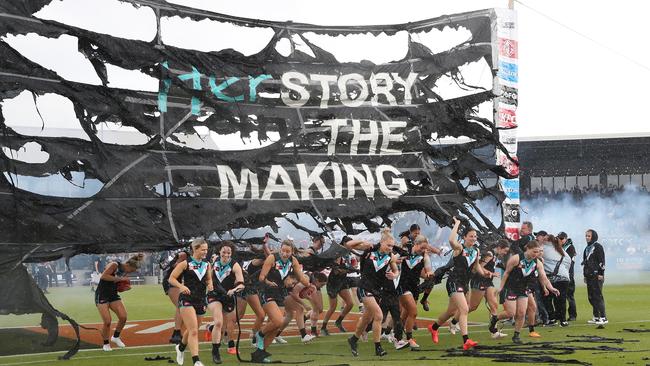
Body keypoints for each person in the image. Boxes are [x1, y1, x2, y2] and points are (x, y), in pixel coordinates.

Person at [427, 217, 492, 350]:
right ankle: (466, 340)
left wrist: (485, 273)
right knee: (464, 309)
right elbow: (451, 240)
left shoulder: (476, 251)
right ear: (464, 237)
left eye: (475, 236)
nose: (474, 238)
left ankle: (433, 328)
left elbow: (476, 267)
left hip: (464, 282)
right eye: (471, 236)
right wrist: (456, 224)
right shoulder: (459, 248)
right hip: (454, 281)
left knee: (451, 311)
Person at [253, 240, 310, 363]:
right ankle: (260, 334)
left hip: (280, 293)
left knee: (276, 327)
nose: (285, 253)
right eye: (283, 250)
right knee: (278, 320)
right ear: (280, 249)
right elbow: (262, 277)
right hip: (267, 291)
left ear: (292, 252)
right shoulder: (272, 258)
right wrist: (268, 282)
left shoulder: (293, 261)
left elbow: (300, 277)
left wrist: (309, 285)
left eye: (288, 251)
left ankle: (259, 354)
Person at [346, 228, 399, 357]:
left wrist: (394, 275)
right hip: (364, 287)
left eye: (392, 246)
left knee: (366, 318)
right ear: (381, 242)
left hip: (377, 291)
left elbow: (396, 271)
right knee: (379, 316)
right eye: (388, 245)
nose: (390, 248)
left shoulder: (390, 256)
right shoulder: (370, 250)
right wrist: (363, 241)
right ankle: (378, 348)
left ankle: (353, 339)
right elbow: (348, 245)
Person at [499, 240, 559, 344]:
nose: (536, 254)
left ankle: (516, 336)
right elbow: (506, 273)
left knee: (522, 313)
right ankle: (495, 318)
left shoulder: (538, 262)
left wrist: (551, 288)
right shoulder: (516, 258)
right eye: (534, 252)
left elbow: (543, 277)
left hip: (523, 289)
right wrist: (501, 287)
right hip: (511, 288)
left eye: (538, 252)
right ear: (528, 249)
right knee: (511, 313)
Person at [168, 239, 213, 366]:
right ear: (195, 249)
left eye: (206, 249)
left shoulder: (207, 264)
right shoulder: (184, 263)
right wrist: (181, 287)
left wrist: (210, 285)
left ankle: (181, 347)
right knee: (193, 330)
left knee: (193, 328)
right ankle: (196, 361)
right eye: (203, 249)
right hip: (186, 299)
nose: (205, 252)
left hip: (200, 299)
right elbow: (171, 278)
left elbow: (209, 279)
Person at [95, 253, 144, 351]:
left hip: (113, 294)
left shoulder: (124, 271)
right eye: (132, 270)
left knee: (123, 317)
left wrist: (123, 287)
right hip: (102, 294)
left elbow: (116, 284)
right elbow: (103, 276)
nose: (130, 272)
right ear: (129, 266)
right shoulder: (114, 265)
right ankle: (106, 344)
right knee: (107, 321)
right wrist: (120, 279)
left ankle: (115, 337)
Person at [206, 241, 245, 363]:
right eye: (224, 252)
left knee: (225, 324)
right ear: (220, 252)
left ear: (231, 253)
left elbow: (241, 284)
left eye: (228, 252)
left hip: (228, 298)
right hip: (214, 296)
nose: (226, 254)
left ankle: (210, 328)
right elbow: (208, 277)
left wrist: (234, 290)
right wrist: (209, 284)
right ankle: (216, 352)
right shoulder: (214, 261)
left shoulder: (235, 265)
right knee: (219, 322)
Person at [397, 234, 433, 349]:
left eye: (425, 248)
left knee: (405, 314)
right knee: (413, 312)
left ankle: (393, 333)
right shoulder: (405, 251)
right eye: (422, 248)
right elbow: (392, 259)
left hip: (414, 287)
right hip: (402, 285)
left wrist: (429, 274)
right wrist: (396, 260)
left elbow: (428, 270)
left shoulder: (424, 257)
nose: (423, 251)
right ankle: (409, 339)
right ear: (415, 244)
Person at [468, 244, 508, 339]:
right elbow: (478, 267)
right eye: (504, 251)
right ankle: (455, 320)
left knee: (494, 305)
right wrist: (492, 273)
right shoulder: (490, 254)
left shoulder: (495, 256)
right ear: (499, 248)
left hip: (488, 282)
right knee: (473, 306)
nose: (505, 253)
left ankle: (494, 331)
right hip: (479, 280)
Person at [541, 235, 571, 327]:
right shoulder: (562, 251)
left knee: (547, 299)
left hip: (551, 278)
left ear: (547, 241)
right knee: (561, 300)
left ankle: (552, 319)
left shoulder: (543, 249)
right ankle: (563, 320)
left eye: (544, 238)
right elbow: (568, 263)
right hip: (564, 277)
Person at [162, 249, 189, 344]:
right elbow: (176, 265)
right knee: (180, 305)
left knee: (182, 306)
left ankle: (177, 333)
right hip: (171, 282)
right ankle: (176, 333)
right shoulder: (184, 254)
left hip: (175, 282)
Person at [582, 229, 607, 325]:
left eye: (589, 236)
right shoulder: (587, 248)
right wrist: (585, 275)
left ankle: (604, 317)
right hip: (589, 275)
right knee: (591, 297)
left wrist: (601, 273)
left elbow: (601, 261)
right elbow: (585, 263)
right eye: (586, 236)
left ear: (594, 236)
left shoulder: (598, 247)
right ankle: (596, 316)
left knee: (598, 296)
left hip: (597, 275)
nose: (587, 238)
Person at [558, 232, 577, 321]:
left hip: (569, 274)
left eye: (562, 238)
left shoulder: (570, 247)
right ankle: (560, 315)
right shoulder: (559, 247)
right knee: (560, 297)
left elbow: (567, 261)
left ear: (566, 238)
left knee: (570, 296)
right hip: (561, 274)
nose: (560, 240)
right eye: (559, 238)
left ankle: (573, 315)